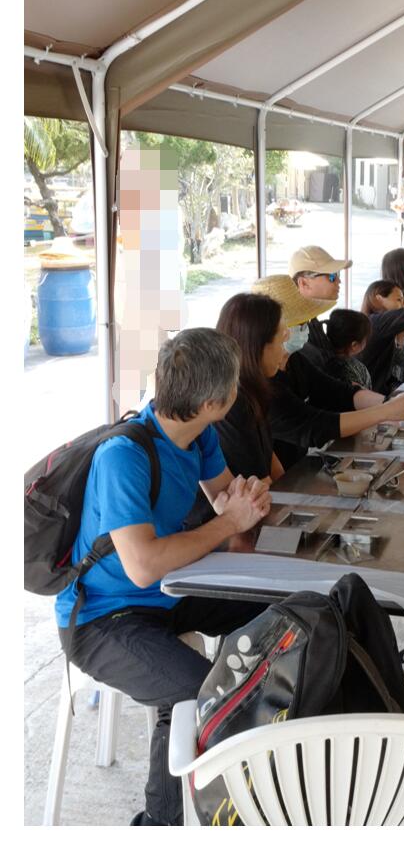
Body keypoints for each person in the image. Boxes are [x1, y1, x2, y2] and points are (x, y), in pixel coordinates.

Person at [54, 328, 274, 825]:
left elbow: (223, 498)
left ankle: (263, 735)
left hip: (166, 596)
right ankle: (159, 824)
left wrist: (245, 504)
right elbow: (143, 564)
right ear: (217, 400)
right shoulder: (124, 457)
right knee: (195, 693)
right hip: (102, 619)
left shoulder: (200, 434)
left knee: (280, 604)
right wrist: (228, 523)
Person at [246, 281, 404, 468]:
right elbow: (314, 426)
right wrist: (386, 411)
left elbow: (338, 392)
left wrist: (398, 404)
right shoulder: (259, 384)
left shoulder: (295, 360)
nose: (306, 330)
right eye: (300, 324)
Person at [288, 244, 351, 354]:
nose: (338, 281)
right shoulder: (290, 332)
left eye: (338, 274)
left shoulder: (309, 320)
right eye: (332, 276)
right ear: (304, 283)